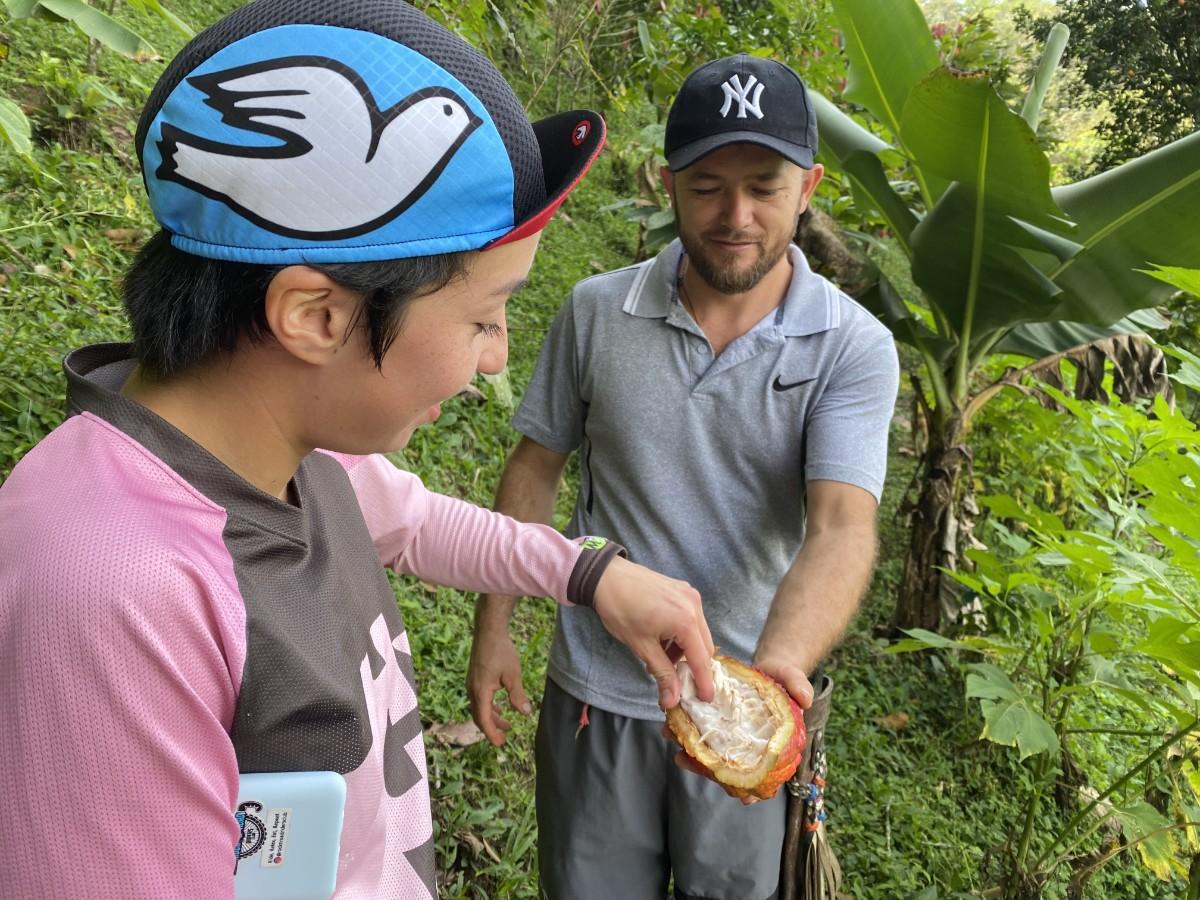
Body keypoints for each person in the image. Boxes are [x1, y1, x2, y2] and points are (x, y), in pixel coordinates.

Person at [0, 2, 717, 897]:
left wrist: (592, 575)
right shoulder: (113, 594)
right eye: (484, 318)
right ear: (317, 317)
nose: (497, 357)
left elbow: (416, 523)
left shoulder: (284, 450)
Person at [468, 53, 900, 899]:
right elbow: (535, 468)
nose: (736, 216)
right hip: (596, 691)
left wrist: (773, 675)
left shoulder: (852, 347)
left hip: (744, 708)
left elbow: (842, 526)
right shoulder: (597, 311)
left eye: (764, 187)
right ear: (667, 185)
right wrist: (494, 629)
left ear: (807, 189)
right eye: (707, 187)